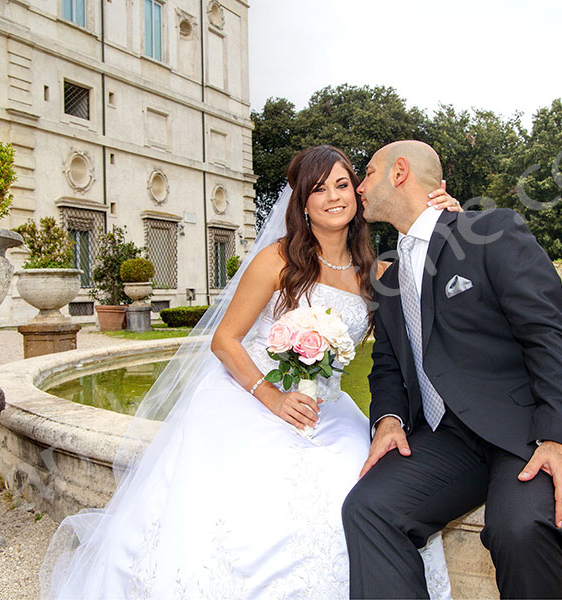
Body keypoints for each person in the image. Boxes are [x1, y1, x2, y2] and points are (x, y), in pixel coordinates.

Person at [41, 145, 462, 599]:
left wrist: (446, 220)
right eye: (318, 190)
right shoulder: (278, 260)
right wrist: (274, 398)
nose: (334, 197)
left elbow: (437, 289)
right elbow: (225, 341)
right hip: (254, 399)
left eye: (343, 185)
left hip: (330, 407)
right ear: (302, 202)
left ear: (358, 195)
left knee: (363, 481)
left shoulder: (376, 273)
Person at [342, 140, 562, 599]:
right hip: (445, 441)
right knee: (368, 507)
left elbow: (549, 335)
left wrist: (560, 438)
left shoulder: (491, 231)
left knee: (518, 529)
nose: (359, 186)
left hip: (519, 433)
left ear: (399, 173)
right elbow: (387, 364)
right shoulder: (387, 271)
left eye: (367, 173)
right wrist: (387, 419)